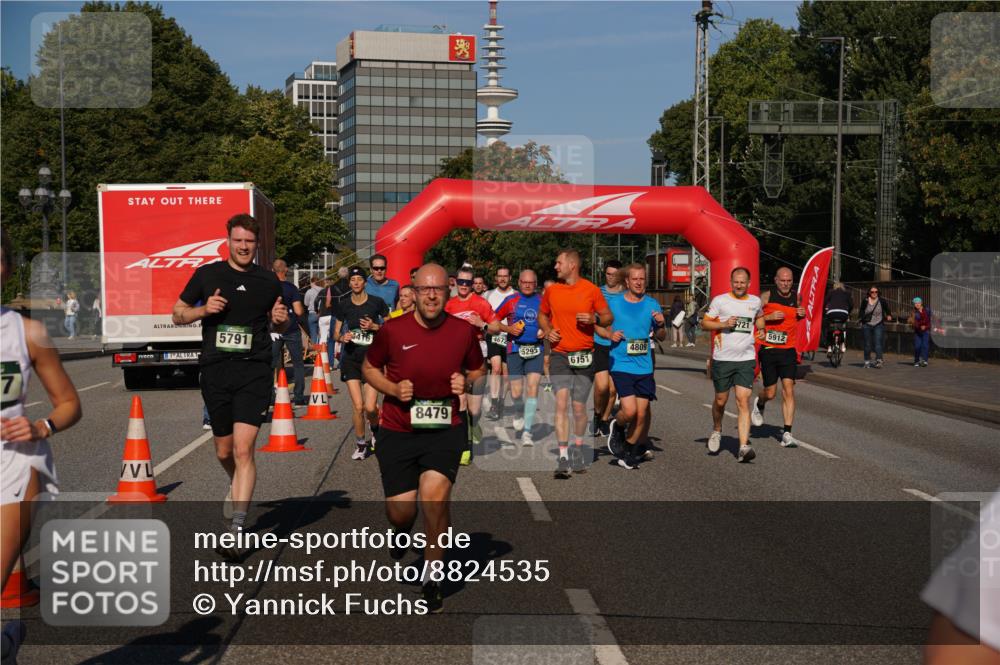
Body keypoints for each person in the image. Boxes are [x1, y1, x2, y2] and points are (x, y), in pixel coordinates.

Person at [362, 263, 486, 613]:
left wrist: (468, 381)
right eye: (425, 290)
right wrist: (392, 388)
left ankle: (433, 577)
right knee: (401, 511)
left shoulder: (462, 332)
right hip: (399, 431)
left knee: (436, 501)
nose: (432, 296)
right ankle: (401, 530)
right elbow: (369, 368)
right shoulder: (392, 330)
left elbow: (479, 369)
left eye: (438, 290)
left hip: (445, 429)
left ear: (447, 293)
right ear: (414, 294)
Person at [172, 213, 289, 561]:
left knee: (243, 450)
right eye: (238, 240)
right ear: (228, 240)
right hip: (216, 369)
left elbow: (279, 324)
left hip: (254, 370)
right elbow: (177, 312)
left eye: (249, 242)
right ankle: (235, 484)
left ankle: (238, 528)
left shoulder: (269, 281)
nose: (243, 246)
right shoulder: (208, 275)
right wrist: (202, 310)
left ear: (257, 245)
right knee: (224, 452)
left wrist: (279, 323)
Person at [1, 233, 82, 664]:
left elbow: (70, 404)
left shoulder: (27, 333)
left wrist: (42, 426)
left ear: (8, 267)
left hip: (13, 469)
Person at [539, 249, 612, 479]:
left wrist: (595, 319)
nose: (555, 266)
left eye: (558, 262)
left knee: (579, 408)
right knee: (561, 403)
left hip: (584, 355)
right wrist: (549, 330)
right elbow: (542, 315)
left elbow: (608, 317)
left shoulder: (591, 290)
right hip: (560, 355)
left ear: (572, 265)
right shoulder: (552, 290)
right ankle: (562, 456)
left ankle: (578, 449)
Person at [600, 264, 666, 469]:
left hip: (644, 366)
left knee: (642, 413)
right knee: (629, 411)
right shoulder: (615, 303)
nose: (639, 282)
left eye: (642, 279)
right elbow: (598, 325)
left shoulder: (652, 304)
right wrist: (610, 334)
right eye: (635, 279)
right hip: (621, 363)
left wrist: (662, 325)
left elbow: (662, 336)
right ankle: (617, 425)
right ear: (627, 282)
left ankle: (627, 451)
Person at [701, 267, 761, 463]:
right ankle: (717, 429)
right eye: (736, 281)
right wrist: (725, 324)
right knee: (720, 400)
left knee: (743, 400)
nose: (739, 285)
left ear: (749, 283)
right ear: (731, 281)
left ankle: (743, 446)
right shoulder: (720, 301)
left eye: (743, 282)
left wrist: (761, 328)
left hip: (745, 359)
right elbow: (705, 323)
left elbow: (759, 318)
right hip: (723, 358)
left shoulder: (755, 301)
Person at [444, 267, 500, 463]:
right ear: (455, 282)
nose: (464, 286)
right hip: (455, 360)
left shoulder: (481, 303)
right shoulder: (448, 305)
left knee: (474, 411)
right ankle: (464, 448)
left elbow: (497, 328)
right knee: (461, 403)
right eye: (461, 282)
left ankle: (474, 426)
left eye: (468, 283)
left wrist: (481, 325)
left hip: (477, 360)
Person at [334, 267, 389, 460]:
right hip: (351, 359)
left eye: (360, 279)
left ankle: (375, 430)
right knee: (358, 406)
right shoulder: (344, 305)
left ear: (365, 282)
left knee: (370, 407)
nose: (356, 282)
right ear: (349, 283)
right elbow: (335, 333)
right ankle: (360, 444)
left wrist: (375, 326)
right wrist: (343, 337)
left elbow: (390, 329)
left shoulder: (377, 303)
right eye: (353, 279)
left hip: (372, 360)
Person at [751, 267, 806, 448]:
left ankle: (787, 433)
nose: (786, 284)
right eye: (782, 280)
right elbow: (754, 319)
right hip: (769, 348)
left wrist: (801, 315)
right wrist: (768, 317)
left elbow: (796, 318)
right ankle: (760, 401)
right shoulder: (766, 297)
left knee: (789, 389)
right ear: (776, 280)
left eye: (789, 281)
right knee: (771, 392)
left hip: (788, 349)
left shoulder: (797, 298)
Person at [494, 270, 544, 446]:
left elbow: (554, 321)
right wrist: (509, 329)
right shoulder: (511, 301)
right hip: (515, 349)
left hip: (536, 350)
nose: (528, 285)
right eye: (524, 282)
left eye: (531, 282)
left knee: (533, 388)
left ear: (536, 283)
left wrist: (546, 330)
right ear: (519, 282)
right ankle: (518, 411)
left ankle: (527, 432)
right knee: (516, 392)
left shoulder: (543, 302)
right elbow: (494, 321)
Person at [592, 260, 623, 437]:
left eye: (614, 274)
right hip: (601, 344)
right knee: (602, 387)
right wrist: (607, 335)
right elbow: (594, 323)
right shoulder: (597, 293)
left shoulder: (626, 295)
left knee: (613, 390)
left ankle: (604, 420)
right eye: (608, 274)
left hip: (619, 347)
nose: (611, 277)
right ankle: (597, 414)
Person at [271, 260, 308, 406]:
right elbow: (298, 311)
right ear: (285, 270)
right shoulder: (291, 288)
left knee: (271, 364)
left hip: (273, 330)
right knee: (298, 363)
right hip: (291, 329)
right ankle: (298, 397)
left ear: (273, 270)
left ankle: (270, 398)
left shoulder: (268, 287)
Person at [484, 267, 516, 420]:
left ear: (510, 277)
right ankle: (494, 404)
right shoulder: (488, 295)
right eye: (499, 276)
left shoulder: (516, 295)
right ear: (496, 278)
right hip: (494, 335)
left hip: (510, 337)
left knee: (507, 375)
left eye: (505, 276)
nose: (502, 279)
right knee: (496, 369)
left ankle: (501, 401)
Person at [859, 286, 892, 368]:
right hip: (867, 324)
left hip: (878, 324)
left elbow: (887, 309)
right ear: (869, 293)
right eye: (872, 292)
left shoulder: (882, 300)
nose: (874, 293)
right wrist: (861, 318)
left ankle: (879, 360)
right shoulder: (865, 300)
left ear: (878, 292)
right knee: (867, 344)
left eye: (876, 292)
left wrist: (889, 315)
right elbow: (861, 311)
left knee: (878, 343)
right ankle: (867, 361)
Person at [823, 282, 853, 354]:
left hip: (832, 313)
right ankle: (842, 344)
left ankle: (829, 348)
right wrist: (848, 311)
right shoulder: (847, 293)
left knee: (829, 328)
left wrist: (825, 310)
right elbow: (851, 304)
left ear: (834, 287)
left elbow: (825, 302)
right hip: (843, 313)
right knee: (842, 327)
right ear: (843, 287)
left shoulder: (831, 292)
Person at [910, 297, 932, 367]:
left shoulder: (927, 310)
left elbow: (931, 320)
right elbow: (913, 323)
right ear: (914, 304)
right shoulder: (913, 312)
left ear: (921, 303)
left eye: (918, 303)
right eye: (915, 303)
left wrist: (926, 327)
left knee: (925, 345)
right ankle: (916, 360)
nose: (917, 304)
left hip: (926, 331)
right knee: (917, 346)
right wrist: (919, 326)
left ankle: (924, 360)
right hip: (918, 331)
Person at [303, 276, 323, 346]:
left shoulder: (309, 291)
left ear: (312, 282)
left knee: (313, 334)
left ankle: (315, 352)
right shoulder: (324, 290)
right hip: (322, 314)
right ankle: (322, 350)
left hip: (312, 313)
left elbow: (306, 303)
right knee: (322, 334)